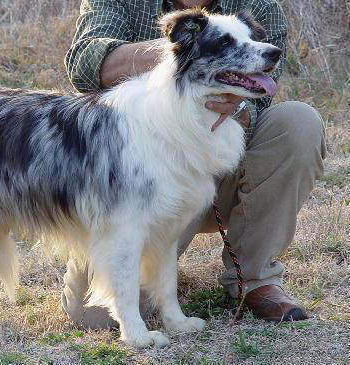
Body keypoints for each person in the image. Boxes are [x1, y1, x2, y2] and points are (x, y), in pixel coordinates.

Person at [62, 0, 327, 328]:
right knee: (93, 317)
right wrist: (177, 53)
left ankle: (254, 279)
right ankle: (156, 265)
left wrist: (236, 106)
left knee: (299, 122)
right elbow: (84, 61)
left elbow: (261, 89)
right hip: (142, 181)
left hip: (221, 171)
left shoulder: (261, 6)